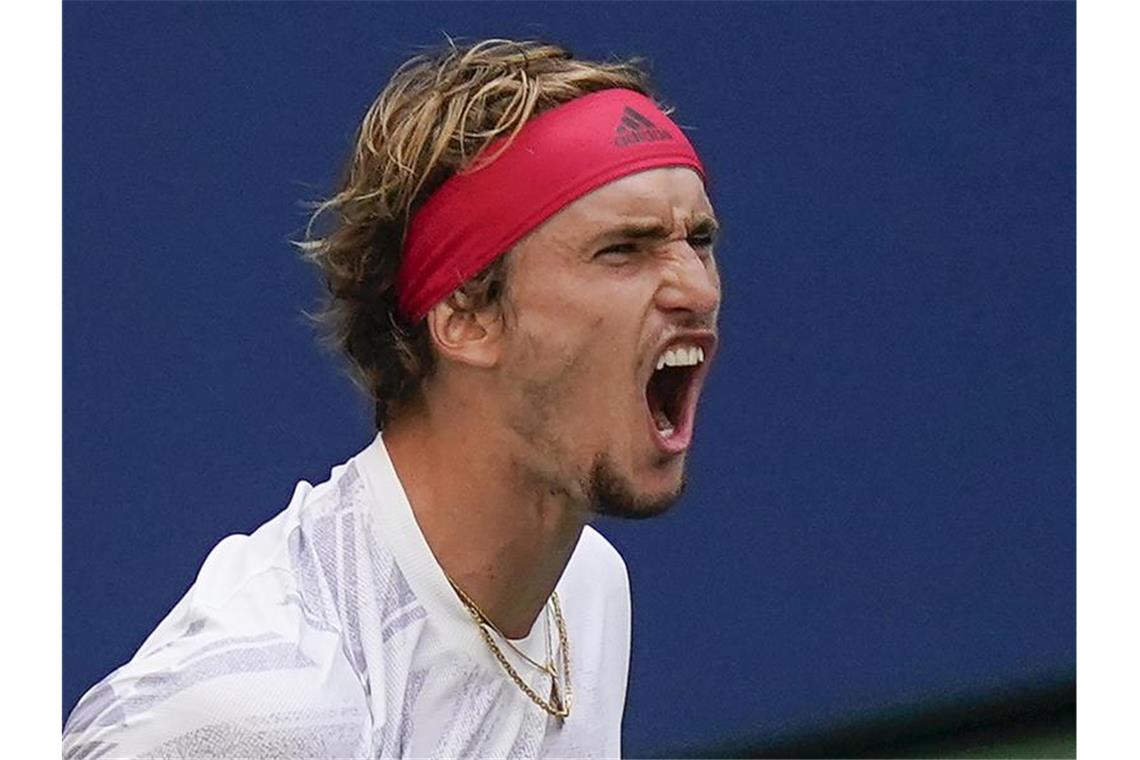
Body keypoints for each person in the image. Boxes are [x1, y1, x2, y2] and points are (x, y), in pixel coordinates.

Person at [64, 38, 721, 758]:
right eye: (624, 249)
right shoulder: (259, 712)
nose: (697, 288)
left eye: (699, 239)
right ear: (466, 316)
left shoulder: (584, 594)